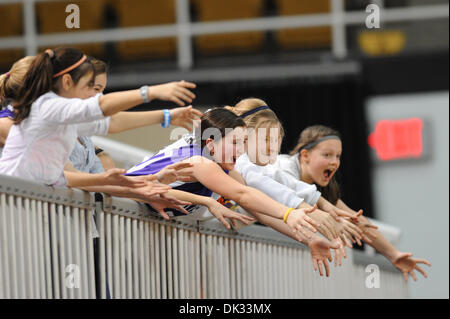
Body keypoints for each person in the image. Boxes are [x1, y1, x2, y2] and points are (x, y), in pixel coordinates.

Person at [125, 108, 340, 274]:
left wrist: (307, 239)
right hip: (113, 212)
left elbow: (254, 206)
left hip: (130, 231)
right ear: (211, 144)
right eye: (235, 142)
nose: (241, 150)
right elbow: (243, 195)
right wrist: (289, 213)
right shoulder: (201, 162)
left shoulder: (222, 166)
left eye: (244, 142)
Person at [0, 47, 196, 189]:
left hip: (27, 202)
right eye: (90, 86)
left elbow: (112, 122)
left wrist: (167, 116)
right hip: (13, 199)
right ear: (67, 82)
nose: (94, 95)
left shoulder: (61, 117)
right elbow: (101, 107)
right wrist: (151, 92)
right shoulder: (46, 106)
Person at [276, 124, 432, 282]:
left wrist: (393, 254)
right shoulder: (283, 166)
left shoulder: (322, 188)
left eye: (338, 156)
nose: (334, 162)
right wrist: (334, 224)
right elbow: (291, 199)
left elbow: (357, 221)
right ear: (305, 155)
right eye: (327, 155)